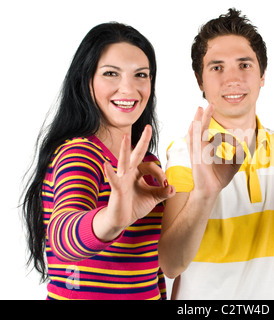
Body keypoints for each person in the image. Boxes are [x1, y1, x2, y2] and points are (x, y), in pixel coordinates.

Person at [159, 8, 274, 300]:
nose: (232, 79)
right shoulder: (185, 153)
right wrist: (204, 194)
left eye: (244, 65)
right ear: (199, 81)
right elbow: (170, 265)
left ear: (262, 75)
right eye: (217, 67)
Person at [21, 22, 175, 300]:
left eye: (141, 74)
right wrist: (111, 221)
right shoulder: (79, 154)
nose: (128, 88)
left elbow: (152, 273)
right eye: (111, 74)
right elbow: (63, 235)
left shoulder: (147, 163)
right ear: (86, 80)